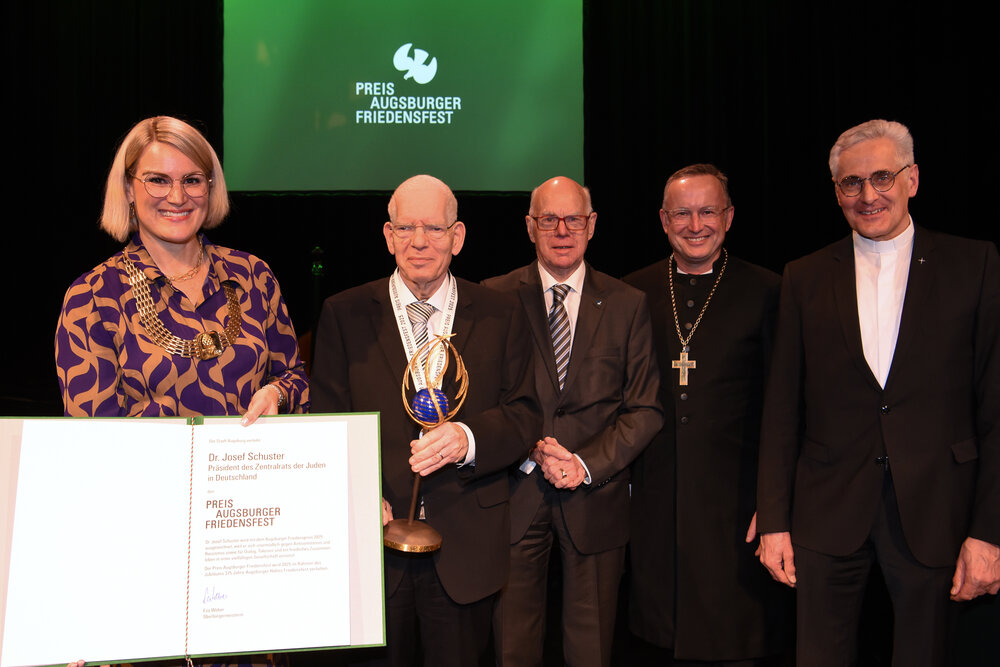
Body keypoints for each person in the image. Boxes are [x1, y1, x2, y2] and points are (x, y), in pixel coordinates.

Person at [756, 119, 1000, 666]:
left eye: (883, 177)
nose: (868, 195)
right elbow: (780, 410)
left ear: (913, 179)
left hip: (938, 508)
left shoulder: (975, 265)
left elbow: (995, 409)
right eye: (851, 183)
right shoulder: (804, 276)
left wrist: (990, 533)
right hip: (826, 511)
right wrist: (774, 520)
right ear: (836, 191)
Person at [309, 174, 540, 667]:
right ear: (388, 236)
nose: (419, 242)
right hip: (374, 548)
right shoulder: (343, 314)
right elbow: (325, 424)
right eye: (406, 228)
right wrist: (360, 492)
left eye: (433, 228)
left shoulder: (502, 313)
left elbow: (525, 415)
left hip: (466, 552)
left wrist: (469, 438)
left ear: (457, 237)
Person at [483, 176, 662, 667]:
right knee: (511, 650)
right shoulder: (494, 299)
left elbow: (645, 408)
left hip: (595, 496)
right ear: (530, 227)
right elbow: (481, 401)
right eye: (548, 220)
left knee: (591, 650)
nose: (562, 230)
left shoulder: (627, 305)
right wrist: (529, 447)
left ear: (592, 225)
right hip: (514, 494)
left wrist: (582, 463)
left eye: (574, 219)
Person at [624, 164, 791, 665]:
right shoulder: (632, 294)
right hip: (655, 504)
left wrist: (776, 504)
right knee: (657, 637)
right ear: (662, 219)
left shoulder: (769, 292)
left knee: (734, 639)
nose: (695, 224)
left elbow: (785, 408)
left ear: (729, 216)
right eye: (682, 213)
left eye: (707, 211)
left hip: (736, 508)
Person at [55, 115, 308, 422]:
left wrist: (276, 394)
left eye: (192, 180)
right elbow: (91, 438)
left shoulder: (253, 274)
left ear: (210, 187)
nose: (177, 197)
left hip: (249, 468)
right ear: (128, 189)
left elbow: (294, 379)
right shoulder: (92, 297)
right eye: (158, 180)